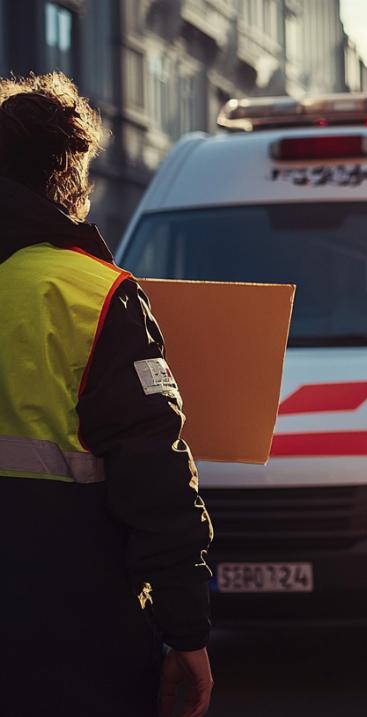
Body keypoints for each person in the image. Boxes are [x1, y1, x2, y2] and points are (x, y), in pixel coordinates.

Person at [0, 73, 214, 716]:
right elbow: (153, 472)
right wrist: (188, 632)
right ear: (69, 175)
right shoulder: (89, 293)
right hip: (66, 627)